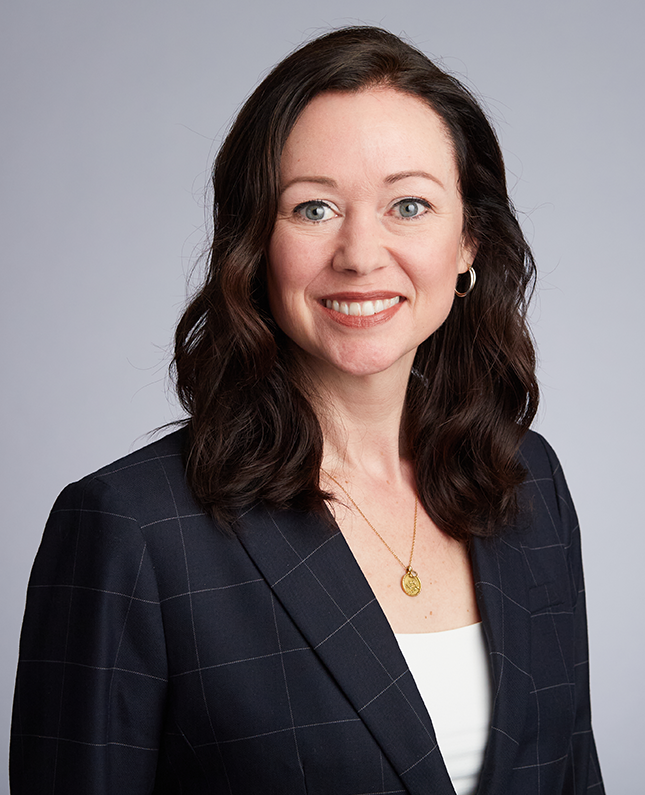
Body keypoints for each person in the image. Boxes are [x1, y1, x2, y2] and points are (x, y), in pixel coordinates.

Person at [10, 26, 604, 795]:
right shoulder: (132, 529)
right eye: (314, 208)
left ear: (468, 243)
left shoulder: (529, 480)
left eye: (410, 204)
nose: (360, 252)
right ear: (254, 242)